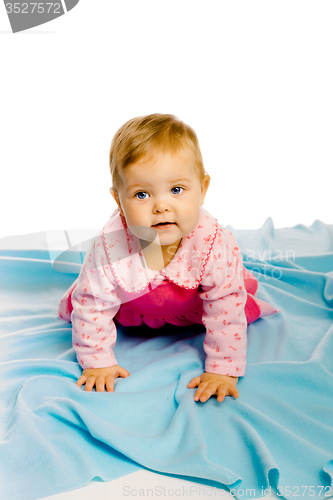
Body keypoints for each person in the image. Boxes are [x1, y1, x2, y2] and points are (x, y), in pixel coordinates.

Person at [59, 113, 277, 403]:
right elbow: (92, 306)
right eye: (141, 194)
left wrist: (223, 369)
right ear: (118, 200)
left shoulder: (214, 244)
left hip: (195, 310)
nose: (161, 205)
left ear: (202, 189)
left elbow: (225, 308)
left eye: (177, 190)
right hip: (132, 309)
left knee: (234, 302)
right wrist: (98, 361)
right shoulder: (110, 247)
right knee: (85, 296)